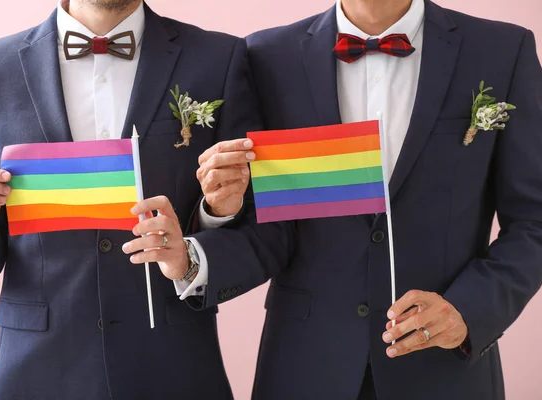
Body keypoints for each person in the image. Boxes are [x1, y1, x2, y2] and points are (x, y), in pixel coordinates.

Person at [191, 0, 542, 398]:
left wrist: (469, 309)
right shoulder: (265, 56)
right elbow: (260, 224)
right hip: (303, 368)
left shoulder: (501, 50)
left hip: (444, 371)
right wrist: (218, 213)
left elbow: (534, 219)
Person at [0, 0, 260, 398]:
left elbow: (258, 224)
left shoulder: (219, 58)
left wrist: (201, 237)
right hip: (37, 371)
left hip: (174, 366)